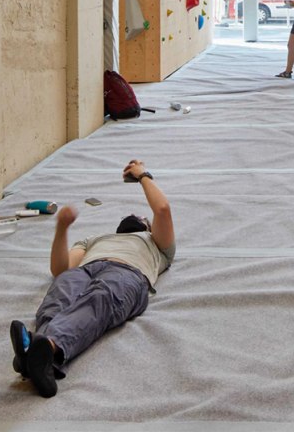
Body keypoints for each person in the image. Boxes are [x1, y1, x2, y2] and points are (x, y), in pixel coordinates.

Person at [9, 160, 174, 397]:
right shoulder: (95, 239)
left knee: (101, 297)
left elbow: (162, 210)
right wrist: (62, 228)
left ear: (148, 227)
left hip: (127, 273)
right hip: (85, 269)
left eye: (142, 217)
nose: (135, 215)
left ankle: (43, 348)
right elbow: (60, 269)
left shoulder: (156, 244)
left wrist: (142, 176)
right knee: (59, 294)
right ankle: (38, 358)